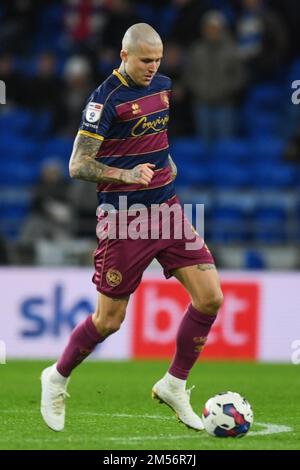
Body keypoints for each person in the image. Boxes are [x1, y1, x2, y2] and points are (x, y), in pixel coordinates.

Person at [40, 23, 223, 433]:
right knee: (108, 321)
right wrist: (126, 176)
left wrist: (165, 164)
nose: (152, 67)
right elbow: (77, 165)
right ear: (124, 56)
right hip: (124, 219)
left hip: (169, 210)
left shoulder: (163, 85)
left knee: (210, 299)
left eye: (157, 60)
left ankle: (174, 383)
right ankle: (56, 376)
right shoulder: (104, 100)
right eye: (145, 60)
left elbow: (156, 135)